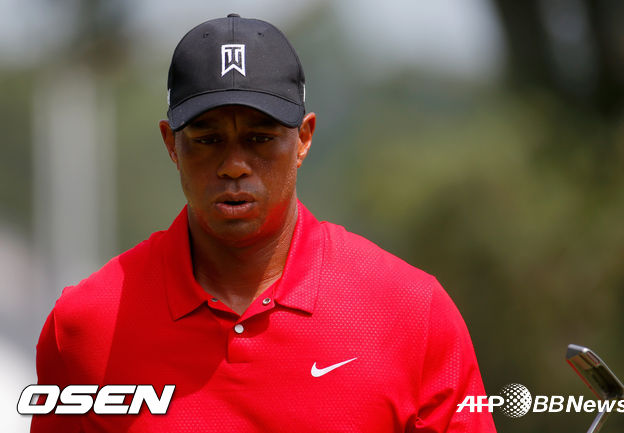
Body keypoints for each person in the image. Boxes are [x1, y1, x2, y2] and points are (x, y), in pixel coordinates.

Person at [31, 14, 497, 433]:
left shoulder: (412, 313)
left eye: (260, 138)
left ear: (304, 139)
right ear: (171, 144)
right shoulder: (83, 327)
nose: (234, 165)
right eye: (208, 139)